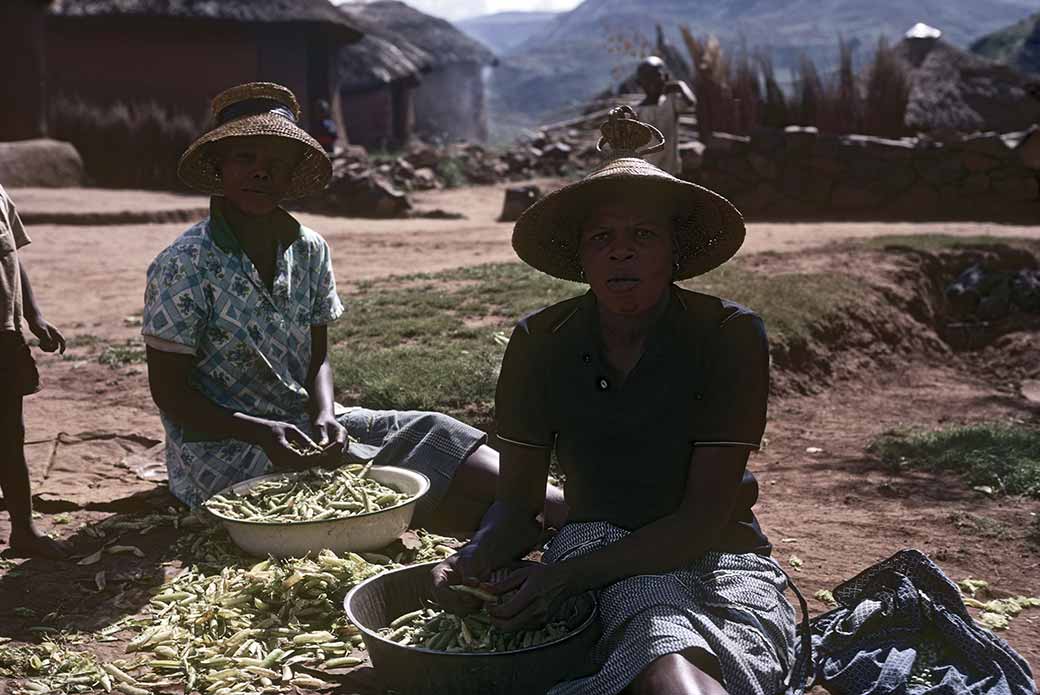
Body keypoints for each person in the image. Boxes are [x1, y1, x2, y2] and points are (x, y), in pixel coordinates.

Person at [432, 107, 795, 695]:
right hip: (597, 543)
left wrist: (562, 580)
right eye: (602, 238)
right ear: (581, 256)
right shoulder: (539, 342)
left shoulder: (727, 335)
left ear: (674, 251)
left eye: (642, 236)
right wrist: (471, 556)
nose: (620, 253)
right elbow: (519, 506)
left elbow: (700, 520)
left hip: (717, 550)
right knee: (661, 647)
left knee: (705, 658)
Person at [143, 82, 564, 531]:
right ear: (219, 165)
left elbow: (317, 353)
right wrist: (259, 430)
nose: (261, 173)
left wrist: (325, 412)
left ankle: (569, 507)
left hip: (306, 422)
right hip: (224, 449)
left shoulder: (309, 250)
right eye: (246, 158)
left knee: (431, 429)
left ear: (291, 176)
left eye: (276, 164)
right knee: (410, 495)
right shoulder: (183, 264)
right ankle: (545, 522)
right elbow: (171, 394)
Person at [0, 184, 68, 558]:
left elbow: (13, 257)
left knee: (10, 435)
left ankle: (23, 530)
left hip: (4, 338)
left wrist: (34, 316)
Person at [635, 55, 695, 176]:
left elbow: (691, 101)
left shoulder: (671, 103)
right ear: (640, 83)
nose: (652, 83)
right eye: (647, 79)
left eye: (656, 77)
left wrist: (680, 85)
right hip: (646, 173)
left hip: (670, 171)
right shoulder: (637, 112)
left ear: (665, 78)